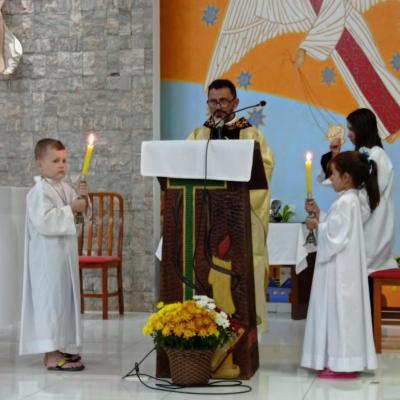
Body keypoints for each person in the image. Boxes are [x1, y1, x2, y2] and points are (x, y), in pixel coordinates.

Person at [187, 79, 275, 333]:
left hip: (240, 218)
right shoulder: (199, 134)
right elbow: (183, 162)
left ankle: (246, 330)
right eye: (213, 101)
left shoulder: (251, 134)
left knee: (242, 273)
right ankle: (203, 329)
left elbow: (265, 169)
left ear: (236, 103)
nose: (218, 106)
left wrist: (238, 200)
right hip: (207, 219)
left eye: (224, 101)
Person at [301, 151, 378, 378]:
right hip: (343, 267)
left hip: (340, 271)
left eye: (333, 174)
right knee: (341, 313)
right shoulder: (350, 200)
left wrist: (317, 225)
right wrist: (320, 215)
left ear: (346, 177)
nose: (330, 178)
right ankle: (340, 360)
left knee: (339, 313)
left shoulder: (346, 202)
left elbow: (335, 236)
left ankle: (343, 365)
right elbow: (339, 228)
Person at [19, 138, 88, 371]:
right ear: (40, 164)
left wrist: (81, 200)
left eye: (65, 160)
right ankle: (50, 354)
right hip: (47, 259)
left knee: (64, 302)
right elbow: (45, 221)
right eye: (55, 160)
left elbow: (78, 217)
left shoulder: (64, 188)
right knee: (50, 302)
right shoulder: (38, 192)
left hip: (63, 257)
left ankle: (64, 346)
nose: (62, 165)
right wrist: (72, 209)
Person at [319, 108, 397, 273]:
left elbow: (367, 199)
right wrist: (336, 156)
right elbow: (345, 185)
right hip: (362, 232)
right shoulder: (363, 155)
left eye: (351, 129)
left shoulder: (378, 157)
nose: (348, 134)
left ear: (362, 129)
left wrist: (340, 225)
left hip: (372, 236)